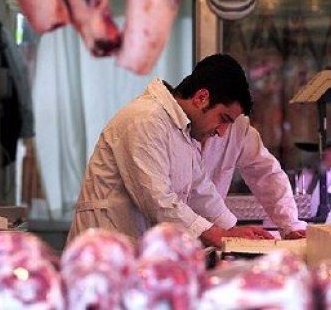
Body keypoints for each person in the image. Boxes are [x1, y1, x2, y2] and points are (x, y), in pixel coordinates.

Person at [67, 54, 307, 248]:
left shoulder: (182, 130)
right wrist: (219, 235)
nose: (222, 132)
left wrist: (230, 229)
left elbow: (201, 190)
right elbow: (159, 202)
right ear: (201, 97)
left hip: (132, 255)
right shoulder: (145, 120)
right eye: (223, 119)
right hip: (101, 252)